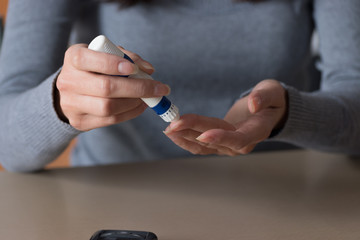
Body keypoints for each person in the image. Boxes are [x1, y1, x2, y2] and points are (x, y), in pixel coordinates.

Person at [0, 0, 359, 172]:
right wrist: (59, 105)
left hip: (282, 191)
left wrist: (286, 115)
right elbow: (6, 143)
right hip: (117, 197)